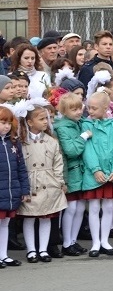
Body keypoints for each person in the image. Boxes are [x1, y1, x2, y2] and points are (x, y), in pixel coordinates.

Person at [17, 102, 68, 263]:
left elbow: (58, 163)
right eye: (41, 119)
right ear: (30, 122)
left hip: (49, 182)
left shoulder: (51, 141)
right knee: (29, 217)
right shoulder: (22, 142)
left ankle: (43, 250)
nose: (46, 121)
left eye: (47, 118)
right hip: (31, 183)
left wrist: (59, 181)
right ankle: (31, 250)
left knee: (46, 217)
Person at [81, 91, 113, 257]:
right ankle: (95, 242)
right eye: (89, 108)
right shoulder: (87, 124)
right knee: (93, 207)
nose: (90, 111)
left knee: (108, 207)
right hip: (94, 174)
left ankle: (105, 241)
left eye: (94, 108)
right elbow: (88, 150)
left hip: (110, 174)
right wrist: (96, 169)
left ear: (105, 108)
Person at [54, 93, 89, 256]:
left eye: (79, 107)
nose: (78, 112)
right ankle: (67, 242)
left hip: (81, 171)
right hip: (71, 172)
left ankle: (73, 240)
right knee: (71, 208)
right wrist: (82, 137)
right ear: (64, 111)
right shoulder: (62, 127)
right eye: (73, 109)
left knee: (80, 207)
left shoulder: (80, 123)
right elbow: (71, 151)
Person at [0, 106, 30, 268]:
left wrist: (24, 189)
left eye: (8, 123)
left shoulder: (13, 142)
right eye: (2, 122)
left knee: (5, 223)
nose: (6, 126)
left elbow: (21, 168)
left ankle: (4, 255)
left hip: (11, 190)